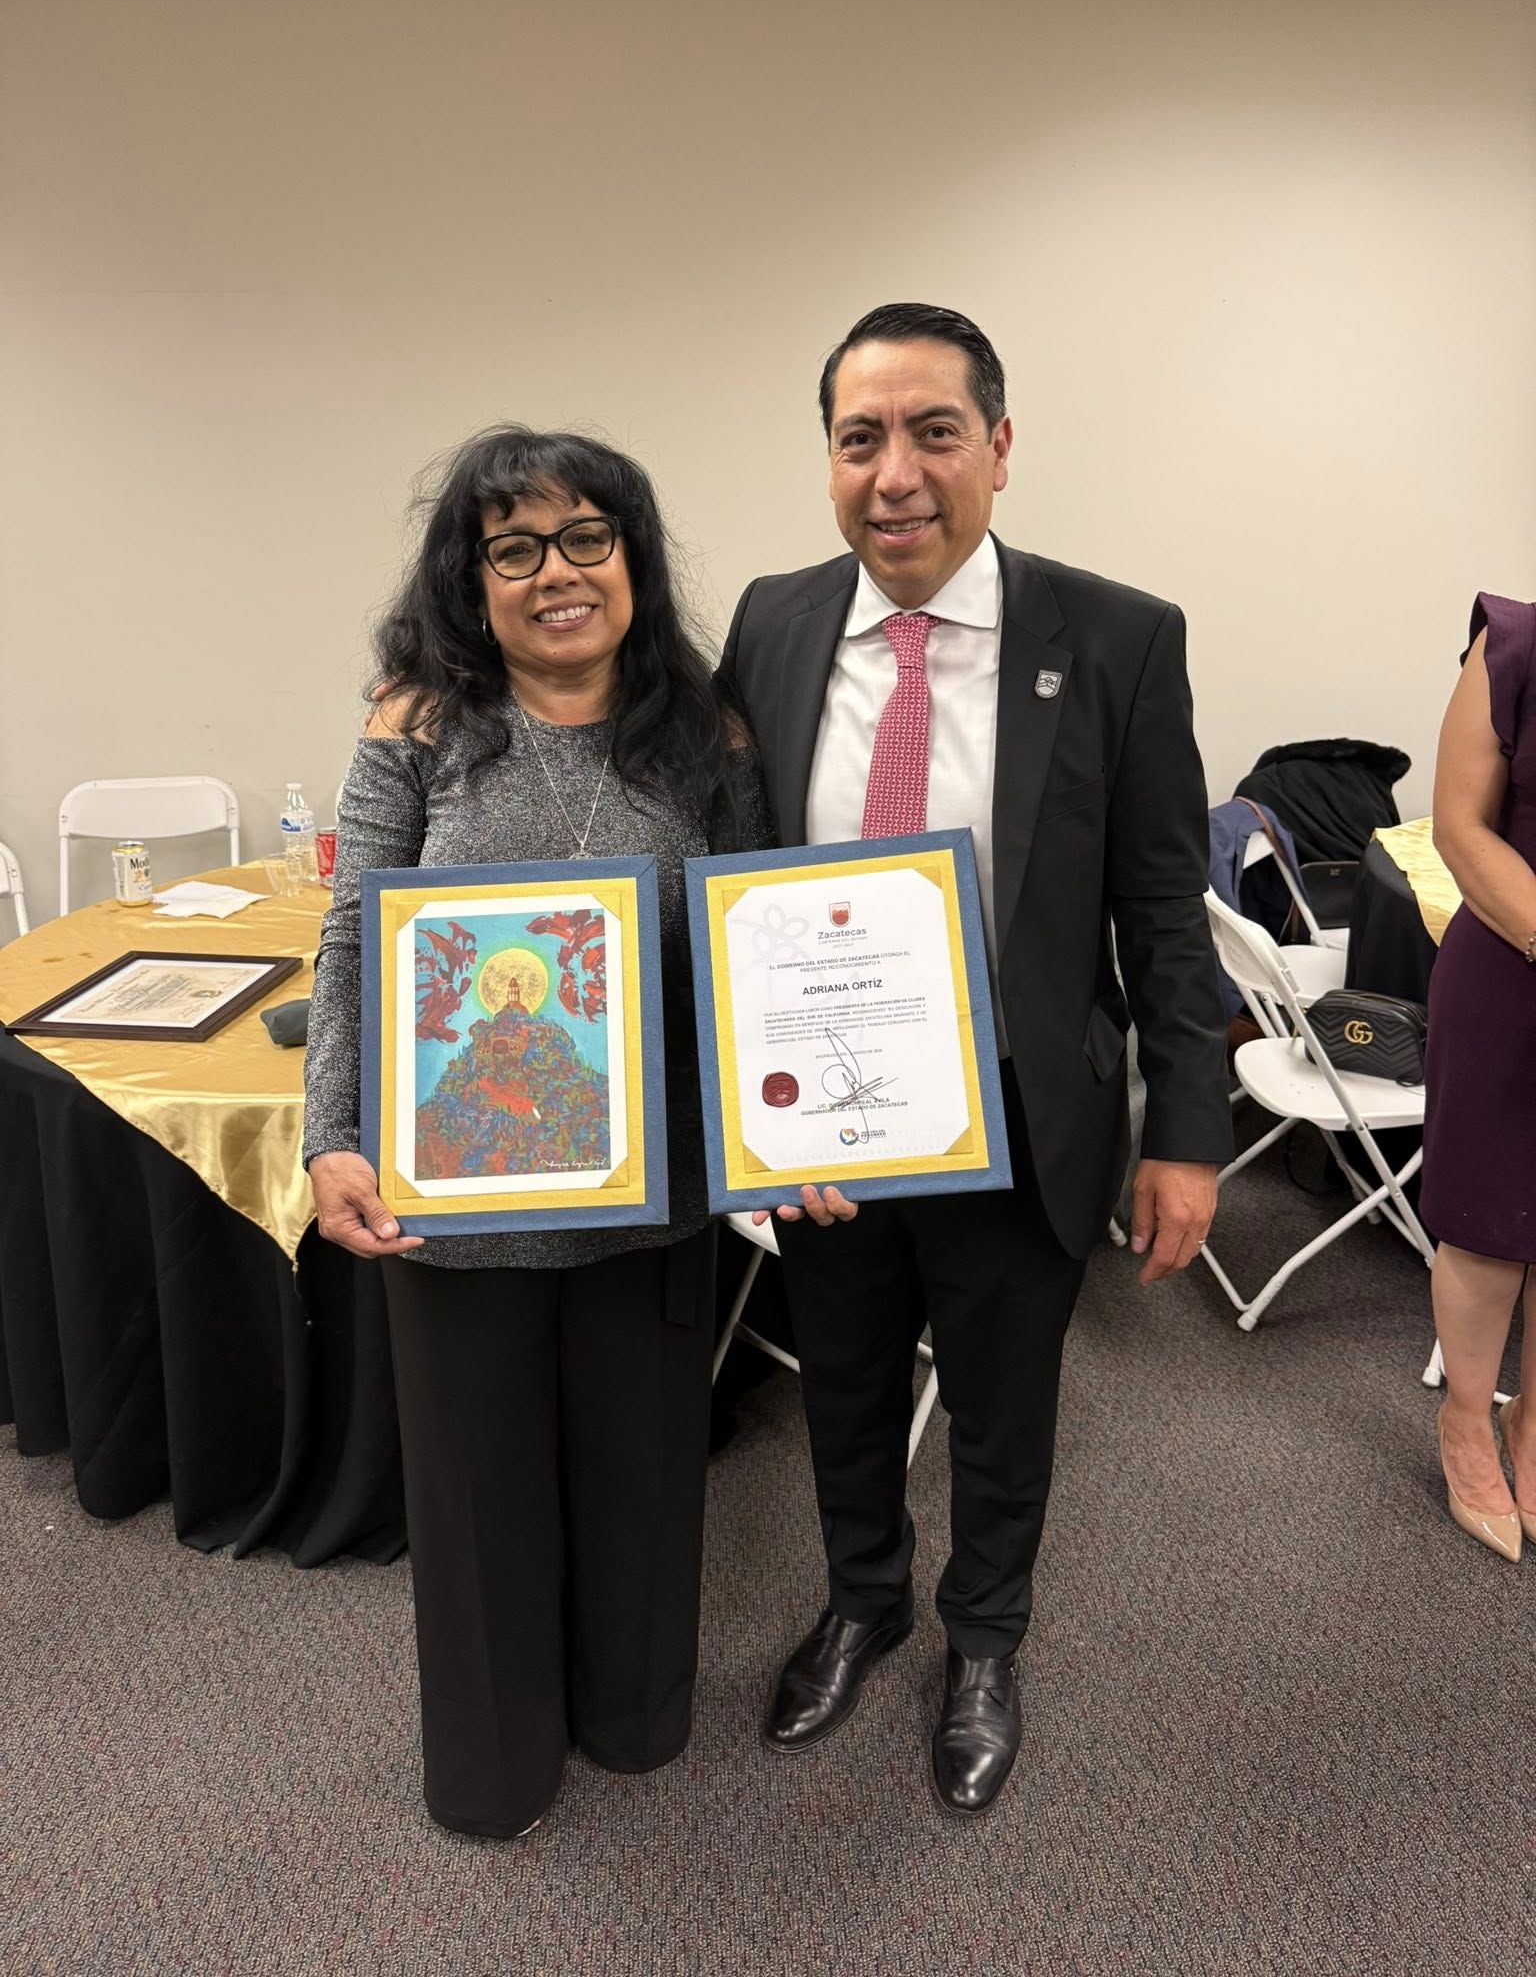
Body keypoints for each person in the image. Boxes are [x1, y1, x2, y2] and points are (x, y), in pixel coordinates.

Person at [718, 303, 1232, 1818]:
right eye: (859, 438)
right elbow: (732, 871)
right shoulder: (772, 622)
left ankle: (986, 1639)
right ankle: (862, 1601)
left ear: (998, 448)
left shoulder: (1119, 636)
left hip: (1018, 1108)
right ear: (828, 461)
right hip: (824, 1116)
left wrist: (1186, 1131)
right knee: (845, 1381)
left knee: (1006, 1407)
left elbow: (1163, 908)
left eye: (933, 432)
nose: (896, 473)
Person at [303, 426, 772, 1837]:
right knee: (476, 1499)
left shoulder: (707, 732)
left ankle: (632, 1718)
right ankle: (495, 1765)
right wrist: (333, 1133)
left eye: (586, 537)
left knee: (644, 1480)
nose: (556, 572)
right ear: (471, 579)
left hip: (655, 1195)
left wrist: (791, 1133)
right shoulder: (415, 726)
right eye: (514, 549)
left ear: (631, 556)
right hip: (456, 1203)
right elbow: (352, 940)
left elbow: (755, 943)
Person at [1421, 592, 1536, 1563]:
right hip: (1511, 966)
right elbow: (1459, 828)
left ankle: (1531, 1425)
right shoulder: (1514, 644)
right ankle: (1466, 1419)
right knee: (1489, 1223)